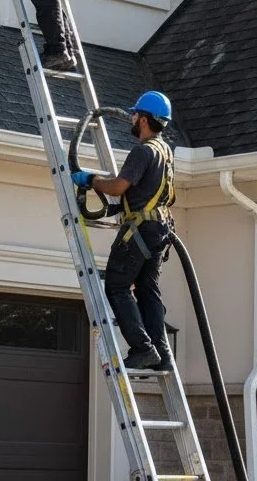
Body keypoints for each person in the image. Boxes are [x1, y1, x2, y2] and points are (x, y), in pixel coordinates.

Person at [72, 91, 176, 370]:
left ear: (143, 119)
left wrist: (92, 180)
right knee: (147, 290)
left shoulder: (143, 151)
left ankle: (143, 348)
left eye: (135, 114)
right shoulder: (164, 151)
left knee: (117, 286)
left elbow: (118, 187)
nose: (131, 118)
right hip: (160, 230)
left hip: (141, 230)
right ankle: (163, 355)